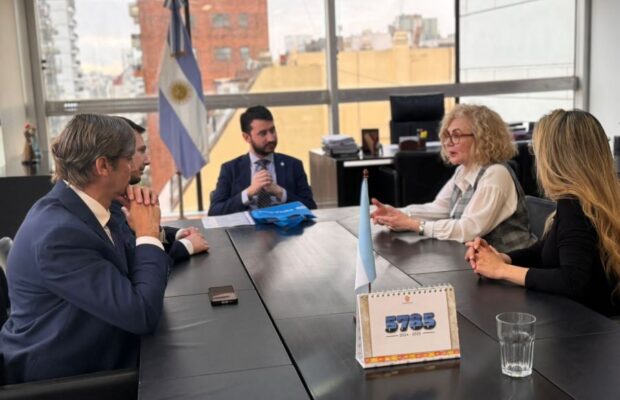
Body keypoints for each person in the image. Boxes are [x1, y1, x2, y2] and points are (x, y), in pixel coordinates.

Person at [0, 114, 171, 383]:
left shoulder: (87, 206)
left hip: (99, 346)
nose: (134, 167)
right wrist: (148, 234)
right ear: (103, 166)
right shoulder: (60, 235)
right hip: (69, 377)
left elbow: (131, 271)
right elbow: (142, 314)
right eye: (128, 159)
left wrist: (144, 230)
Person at [466, 109, 620, 316]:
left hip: (586, 328)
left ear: (554, 158)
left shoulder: (574, 205)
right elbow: (544, 250)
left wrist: (501, 270)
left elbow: (572, 281)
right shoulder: (598, 200)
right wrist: (502, 258)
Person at [371, 104, 535, 252]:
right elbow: (438, 210)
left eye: (456, 135)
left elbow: (468, 230)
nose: (448, 143)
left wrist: (413, 224)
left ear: (482, 139)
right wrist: (398, 214)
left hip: (512, 265)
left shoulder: (496, 174)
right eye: (446, 136)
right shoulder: (462, 171)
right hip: (479, 263)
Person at [113, 117, 209, 262]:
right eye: (140, 151)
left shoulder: (120, 197)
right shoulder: (106, 205)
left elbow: (139, 236)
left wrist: (178, 234)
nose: (147, 160)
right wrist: (185, 246)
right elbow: (138, 266)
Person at [208, 105, 316, 216]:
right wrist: (248, 193)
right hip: (247, 226)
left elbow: (311, 207)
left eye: (272, 130)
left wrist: (281, 193)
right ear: (246, 137)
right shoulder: (230, 169)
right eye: (263, 133)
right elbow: (214, 211)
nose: (271, 138)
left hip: (285, 225)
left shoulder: (294, 165)